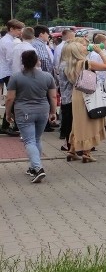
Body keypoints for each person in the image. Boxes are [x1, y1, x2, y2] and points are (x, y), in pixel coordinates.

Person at [5, 50, 56, 182]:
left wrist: (8, 113)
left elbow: (10, 98)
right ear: (37, 61)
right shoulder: (47, 76)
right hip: (43, 110)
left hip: (24, 111)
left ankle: (38, 168)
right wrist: (53, 112)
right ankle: (33, 167)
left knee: (29, 141)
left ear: (23, 62)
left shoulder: (15, 77)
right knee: (37, 139)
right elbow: (53, 96)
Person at [65, 40, 106, 163]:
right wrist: (100, 51)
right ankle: (87, 152)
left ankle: (72, 150)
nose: (86, 47)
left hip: (77, 94)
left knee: (78, 123)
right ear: (78, 51)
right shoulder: (86, 63)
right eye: (83, 46)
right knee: (88, 123)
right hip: (88, 94)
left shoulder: (69, 64)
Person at [0, 19, 24, 136]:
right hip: (8, 72)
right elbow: (11, 60)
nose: (20, 32)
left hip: (6, 72)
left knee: (13, 98)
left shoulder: (7, 40)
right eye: (18, 29)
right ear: (11, 29)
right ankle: (8, 124)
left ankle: (8, 124)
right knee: (13, 98)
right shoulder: (8, 42)